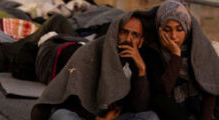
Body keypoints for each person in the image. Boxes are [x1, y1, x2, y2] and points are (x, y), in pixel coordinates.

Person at [31, 13, 159, 120]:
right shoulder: (89, 53)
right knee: (62, 116)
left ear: (141, 41)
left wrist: (141, 70)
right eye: (124, 32)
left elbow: (139, 107)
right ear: (115, 33)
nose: (128, 39)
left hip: (113, 117)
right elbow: (72, 99)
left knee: (150, 117)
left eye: (135, 35)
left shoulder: (139, 61)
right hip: (85, 116)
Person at [142, 0, 219, 120]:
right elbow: (164, 90)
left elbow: (209, 87)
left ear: (187, 28)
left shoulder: (198, 47)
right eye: (167, 30)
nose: (174, 36)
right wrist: (175, 55)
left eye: (179, 29)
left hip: (199, 111)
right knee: (162, 101)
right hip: (173, 113)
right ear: (160, 29)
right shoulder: (153, 52)